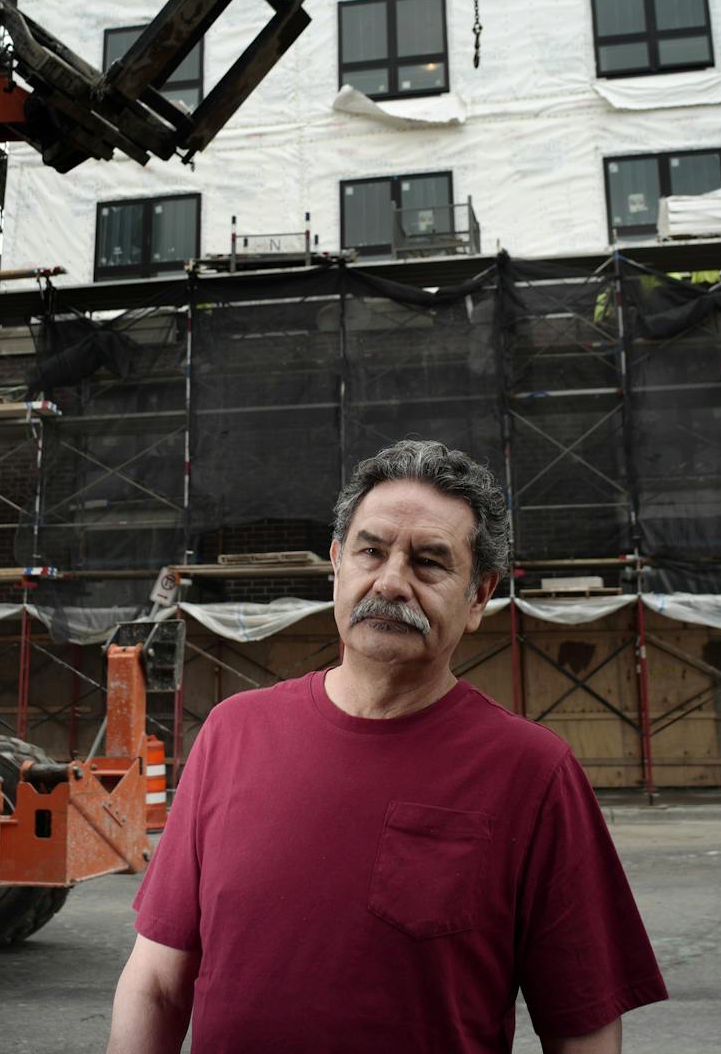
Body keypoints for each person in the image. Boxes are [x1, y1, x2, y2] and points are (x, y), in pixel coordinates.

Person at [107, 440, 668, 1054]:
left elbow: (582, 1026)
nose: (392, 582)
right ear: (336, 564)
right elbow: (158, 984)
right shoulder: (231, 734)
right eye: (371, 551)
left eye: (429, 562)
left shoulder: (533, 773)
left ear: (479, 595)